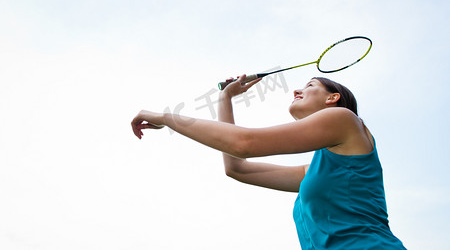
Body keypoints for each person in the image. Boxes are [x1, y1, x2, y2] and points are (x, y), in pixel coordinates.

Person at [131, 75, 406, 249]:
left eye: (310, 86)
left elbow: (244, 144)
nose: (297, 90)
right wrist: (225, 99)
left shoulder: (344, 119)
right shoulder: (318, 173)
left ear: (333, 98)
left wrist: (167, 118)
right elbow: (237, 167)